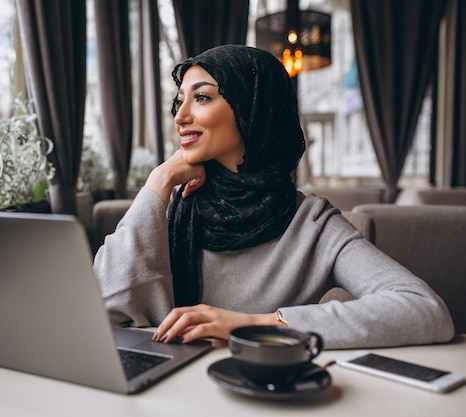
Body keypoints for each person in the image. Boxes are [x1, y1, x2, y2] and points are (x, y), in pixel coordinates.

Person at [92, 44, 454, 349]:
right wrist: (160, 178)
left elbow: (424, 309)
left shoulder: (312, 224)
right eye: (179, 101)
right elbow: (103, 308)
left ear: (252, 112)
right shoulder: (172, 207)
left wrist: (257, 325)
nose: (180, 116)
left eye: (201, 97)